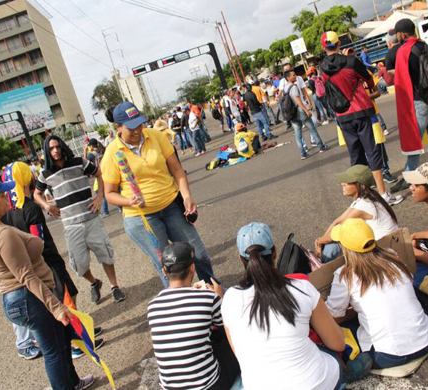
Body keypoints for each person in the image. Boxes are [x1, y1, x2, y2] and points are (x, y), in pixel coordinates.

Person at [0, 176, 95, 390]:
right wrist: (57, 307)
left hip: (18, 298)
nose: (7, 198)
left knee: (61, 344)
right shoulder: (2, 234)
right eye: (1, 196)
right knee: (54, 351)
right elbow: (26, 276)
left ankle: (73, 383)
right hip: (30, 298)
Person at [222, 222, 373, 389]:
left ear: (240, 259)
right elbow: (337, 343)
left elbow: (240, 354)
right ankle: (350, 373)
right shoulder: (301, 287)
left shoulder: (230, 298)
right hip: (315, 384)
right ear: (275, 253)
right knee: (351, 358)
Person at [103, 102, 217, 288]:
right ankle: (182, 308)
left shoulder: (155, 136)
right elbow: (109, 194)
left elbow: (177, 170)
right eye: (131, 127)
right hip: (142, 218)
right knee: (169, 267)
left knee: (198, 254)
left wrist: (186, 196)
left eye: (139, 124)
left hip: (172, 206)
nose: (137, 130)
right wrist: (128, 201)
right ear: (118, 127)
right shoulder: (112, 153)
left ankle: (213, 293)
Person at [326, 218, 428, 369]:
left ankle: (352, 369)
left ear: (344, 247)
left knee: (341, 330)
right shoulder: (391, 255)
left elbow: (334, 313)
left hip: (391, 355)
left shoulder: (344, 275)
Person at [34, 135, 126, 304]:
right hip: (70, 225)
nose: (55, 150)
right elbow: (36, 194)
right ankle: (94, 283)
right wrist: (47, 206)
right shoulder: (45, 174)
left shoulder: (79, 162)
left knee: (105, 254)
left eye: (57, 146)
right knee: (78, 265)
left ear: (62, 146)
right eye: (51, 148)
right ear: (47, 151)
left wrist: (99, 197)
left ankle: (115, 286)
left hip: (91, 219)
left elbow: (100, 174)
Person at [148, 243, 240, 390]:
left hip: (170, 387)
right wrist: (219, 297)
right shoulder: (208, 298)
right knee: (226, 343)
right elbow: (228, 329)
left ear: (164, 271)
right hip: (210, 385)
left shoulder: (152, 306)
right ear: (192, 268)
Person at [321, 31, 398, 204]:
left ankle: (363, 197)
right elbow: (369, 82)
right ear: (339, 43)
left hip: (342, 116)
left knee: (355, 157)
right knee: (373, 152)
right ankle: (383, 194)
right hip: (362, 111)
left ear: (323, 47)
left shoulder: (322, 68)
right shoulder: (351, 61)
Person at [387, 18, 428, 194]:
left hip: (418, 99)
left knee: (414, 139)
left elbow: (400, 78)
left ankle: (408, 176)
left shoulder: (403, 51)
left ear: (402, 34)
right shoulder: (424, 46)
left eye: (398, 33)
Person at [315, 165, 401, 263]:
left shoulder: (365, 205)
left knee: (337, 243)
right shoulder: (365, 198)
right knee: (337, 240)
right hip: (386, 243)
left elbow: (337, 233)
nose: (342, 184)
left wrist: (319, 242)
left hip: (385, 250)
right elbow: (338, 221)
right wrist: (321, 242)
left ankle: (319, 265)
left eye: (347, 182)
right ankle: (319, 263)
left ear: (361, 185)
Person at [283, 70, 329, 160]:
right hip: (300, 112)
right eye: (293, 75)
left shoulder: (286, 88)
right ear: (288, 78)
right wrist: (306, 110)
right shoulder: (293, 87)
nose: (295, 76)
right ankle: (321, 146)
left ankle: (303, 153)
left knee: (298, 134)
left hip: (292, 114)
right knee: (312, 129)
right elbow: (298, 100)